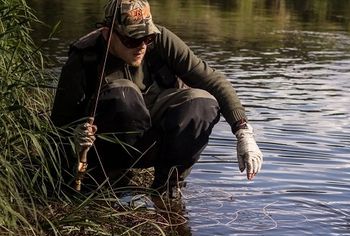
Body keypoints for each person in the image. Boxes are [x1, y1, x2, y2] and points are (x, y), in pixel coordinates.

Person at [51, 0, 263, 198]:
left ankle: (168, 187)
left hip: (155, 140)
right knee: (123, 93)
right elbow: (59, 124)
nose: (142, 45)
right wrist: (73, 135)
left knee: (202, 102)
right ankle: (111, 180)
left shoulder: (162, 40)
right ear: (108, 34)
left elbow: (214, 81)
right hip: (104, 149)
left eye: (147, 37)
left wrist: (243, 131)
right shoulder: (83, 57)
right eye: (132, 39)